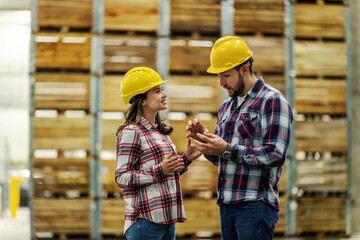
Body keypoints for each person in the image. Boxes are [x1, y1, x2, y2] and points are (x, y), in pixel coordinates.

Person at [186, 36, 293, 240]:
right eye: (219, 76)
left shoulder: (271, 100)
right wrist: (206, 142)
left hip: (255, 206)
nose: (221, 82)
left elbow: (275, 154)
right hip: (227, 205)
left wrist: (226, 148)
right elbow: (222, 158)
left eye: (225, 75)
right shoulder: (227, 106)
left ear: (244, 69)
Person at [114, 67, 200, 240]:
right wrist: (159, 170)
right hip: (144, 222)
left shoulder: (160, 133)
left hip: (167, 221)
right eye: (157, 91)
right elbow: (121, 177)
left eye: (162, 90)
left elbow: (167, 172)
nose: (164, 94)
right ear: (142, 100)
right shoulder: (132, 132)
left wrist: (186, 159)